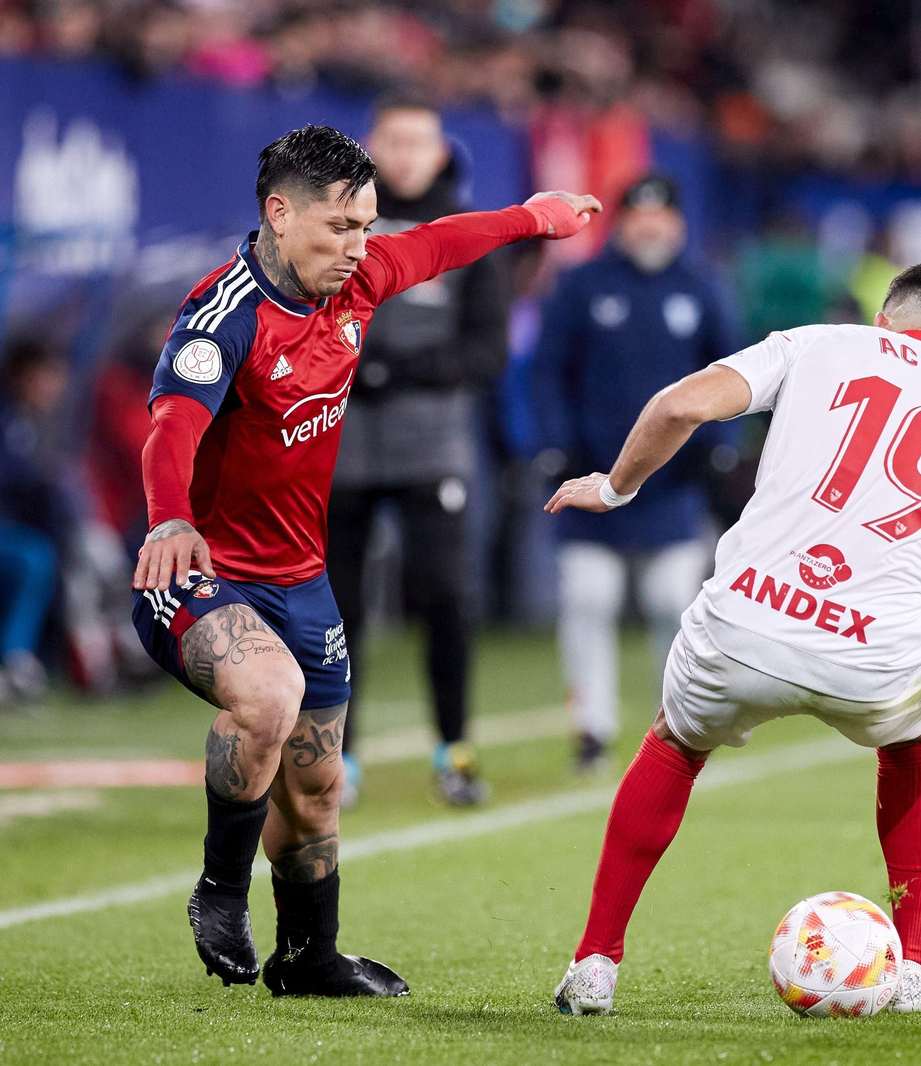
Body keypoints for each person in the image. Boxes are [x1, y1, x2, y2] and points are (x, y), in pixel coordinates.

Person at [129, 123, 598, 997]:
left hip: (301, 581)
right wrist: (167, 524)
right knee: (268, 696)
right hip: (198, 571)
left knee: (314, 794)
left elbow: (439, 242)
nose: (359, 247)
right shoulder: (223, 315)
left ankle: (309, 958)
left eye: (366, 225)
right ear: (279, 213)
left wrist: (533, 217)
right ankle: (220, 893)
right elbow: (173, 427)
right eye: (339, 228)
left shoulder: (362, 278)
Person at [546, 264, 921, 1016]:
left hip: (745, 629)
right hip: (874, 663)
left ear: (885, 324)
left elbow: (679, 405)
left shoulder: (819, 344)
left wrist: (614, 488)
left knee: (674, 742)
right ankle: (917, 971)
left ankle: (596, 963)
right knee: (915, 736)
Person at [326, 96, 511, 808]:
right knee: (337, 613)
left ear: (439, 152)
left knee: (445, 598)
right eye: (392, 140)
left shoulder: (462, 232)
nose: (405, 155)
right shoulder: (335, 222)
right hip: (338, 447)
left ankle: (454, 750)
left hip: (432, 449)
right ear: (371, 146)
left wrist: (391, 370)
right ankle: (337, 759)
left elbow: (487, 350)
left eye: (418, 142)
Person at [529, 175, 742, 773]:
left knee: (673, 604)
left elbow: (736, 373)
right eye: (638, 216)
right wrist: (552, 445)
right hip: (589, 477)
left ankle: (676, 726)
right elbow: (545, 371)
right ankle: (591, 730)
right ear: (621, 222)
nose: (649, 227)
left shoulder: (702, 287)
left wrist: (719, 446)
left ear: (678, 223)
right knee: (588, 599)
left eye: (661, 216)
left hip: (670, 487)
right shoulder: (581, 284)